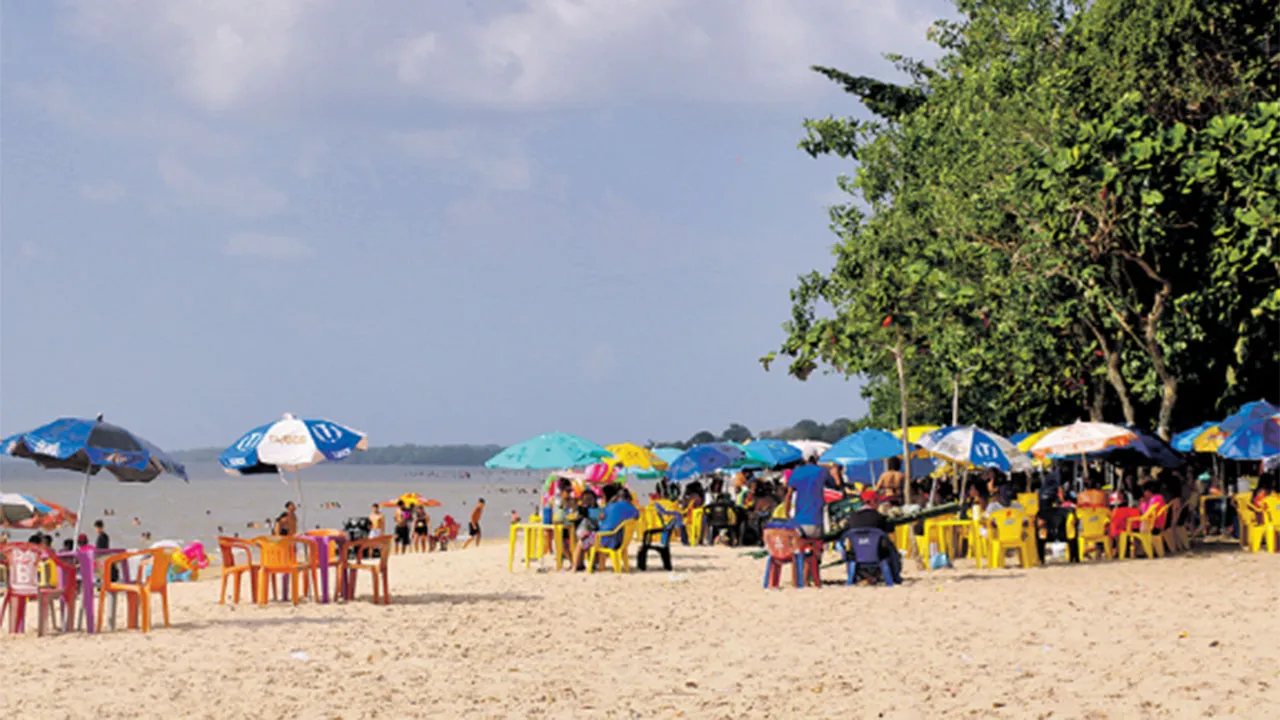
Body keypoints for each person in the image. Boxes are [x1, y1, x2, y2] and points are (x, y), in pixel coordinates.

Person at [846, 489, 903, 583]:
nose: (878, 504)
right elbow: (890, 529)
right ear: (873, 502)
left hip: (856, 554)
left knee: (849, 553)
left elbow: (845, 532)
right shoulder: (879, 518)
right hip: (877, 553)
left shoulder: (852, 518)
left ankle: (864, 576)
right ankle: (895, 577)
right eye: (877, 501)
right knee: (891, 548)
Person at [785, 456, 837, 539]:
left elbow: (788, 495)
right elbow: (835, 485)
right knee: (817, 549)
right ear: (816, 458)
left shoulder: (797, 472)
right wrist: (835, 470)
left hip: (799, 523)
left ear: (804, 459)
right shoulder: (822, 471)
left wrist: (787, 514)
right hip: (816, 521)